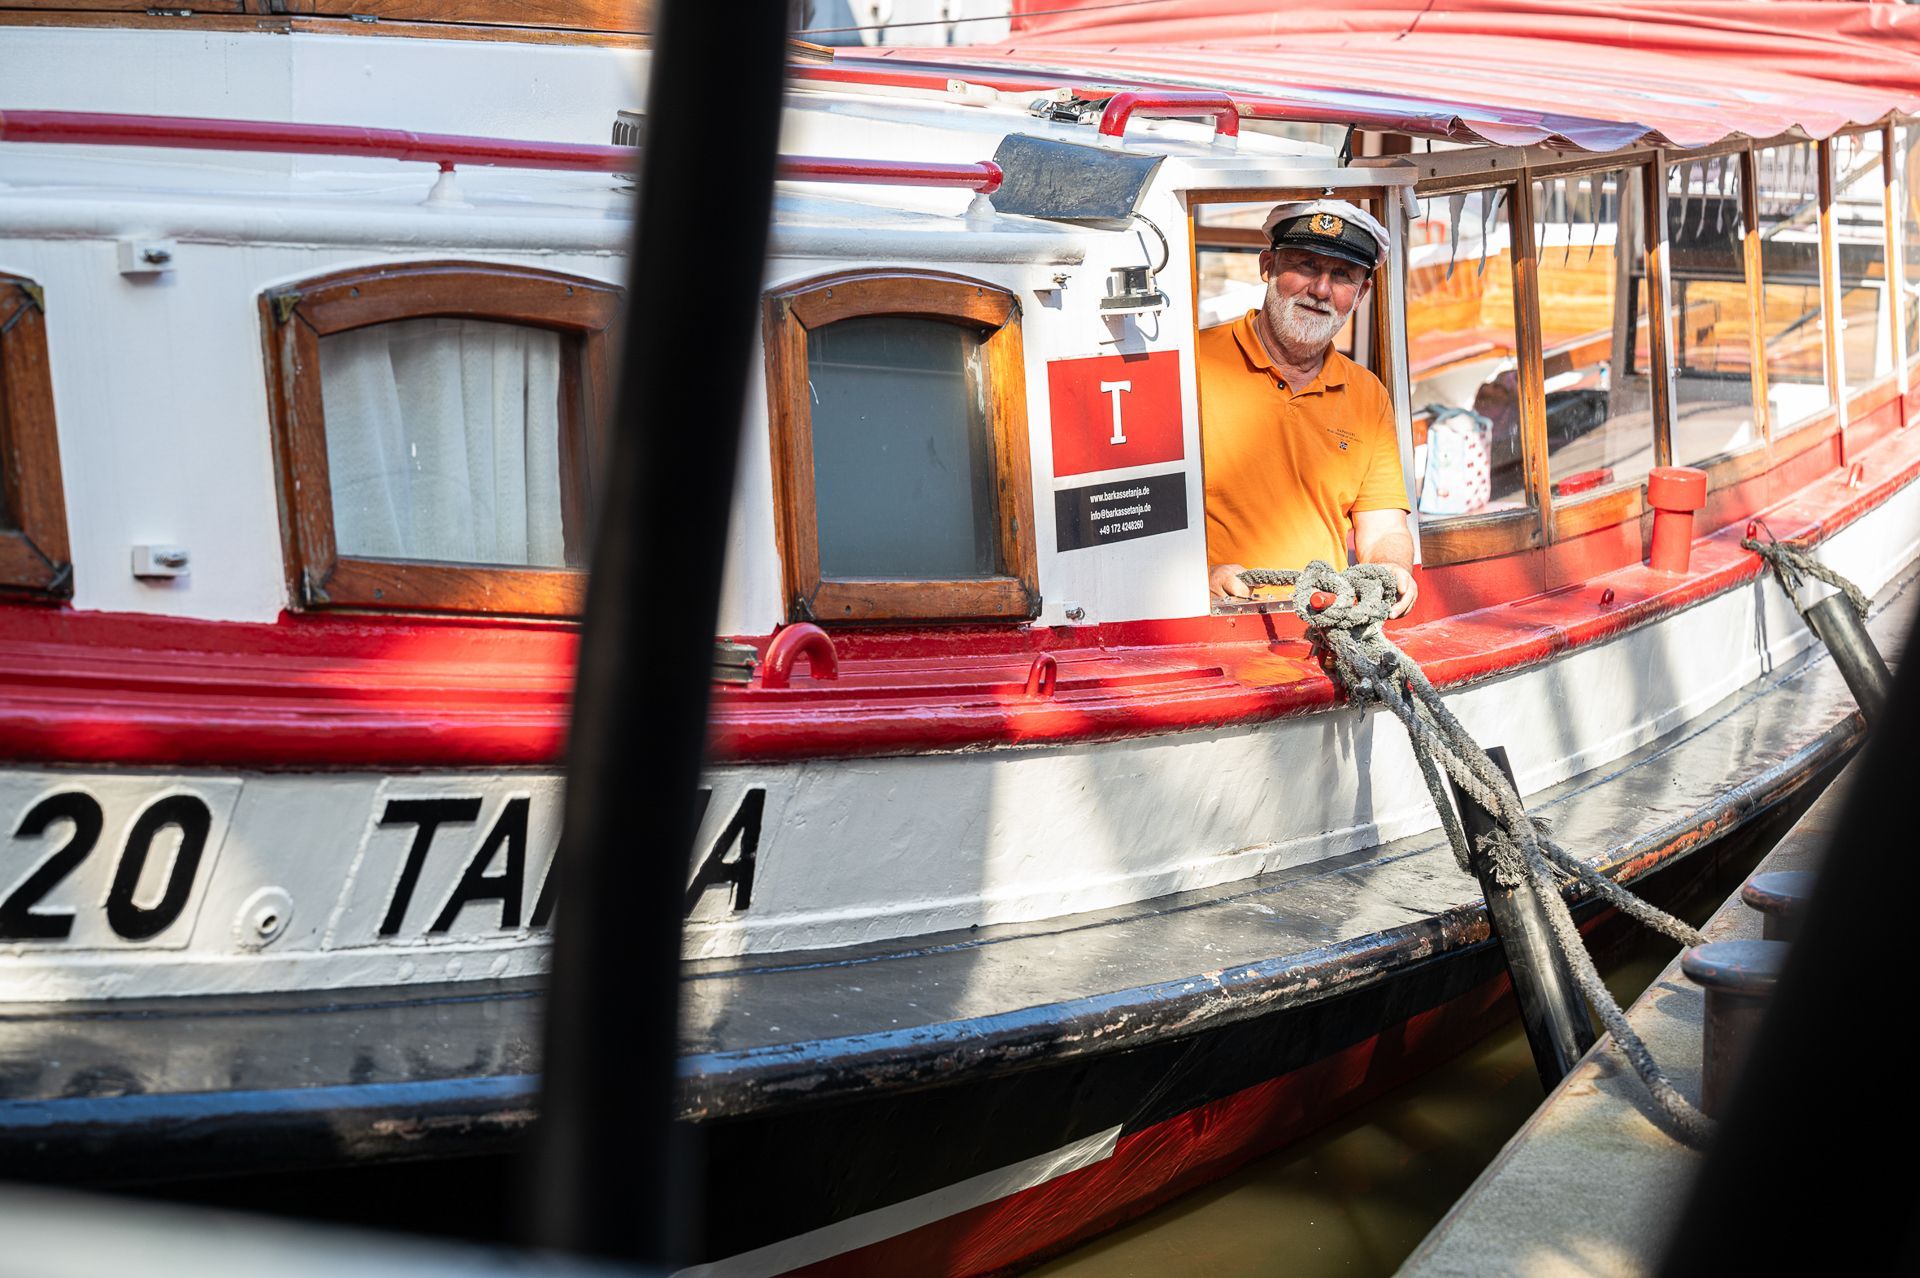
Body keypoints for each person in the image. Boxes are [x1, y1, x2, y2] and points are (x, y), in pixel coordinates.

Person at [1199, 199, 1418, 618]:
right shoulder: (1190, 365)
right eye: (1304, 266)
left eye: (1341, 276)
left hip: (1323, 625)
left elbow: (1385, 526)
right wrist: (1198, 575)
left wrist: (1391, 569)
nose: (1320, 290)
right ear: (1268, 266)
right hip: (1212, 626)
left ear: (1362, 293)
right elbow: (1136, 515)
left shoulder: (1368, 394)